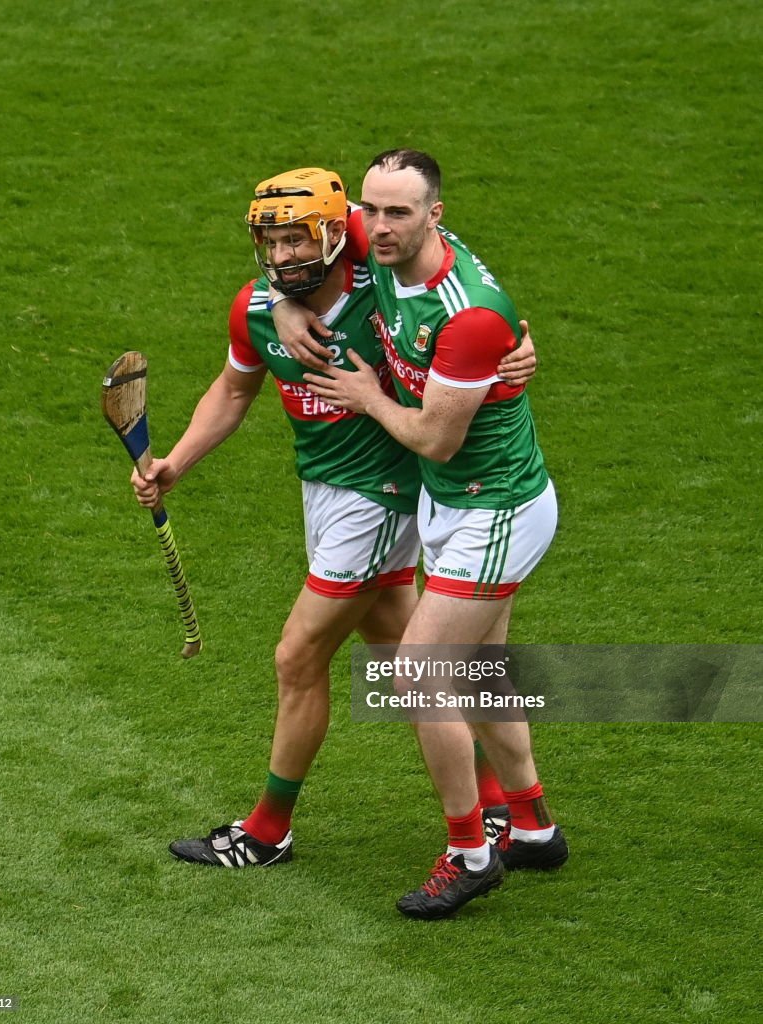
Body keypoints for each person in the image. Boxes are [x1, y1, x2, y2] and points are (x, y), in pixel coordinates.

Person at [131, 166, 536, 871]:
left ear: (331, 235)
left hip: (381, 492)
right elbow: (233, 389)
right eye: (271, 241)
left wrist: (512, 353)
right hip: (323, 487)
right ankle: (506, 805)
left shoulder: (380, 281)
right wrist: (177, 462)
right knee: (399, 645)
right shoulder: (257, 307)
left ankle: (267, 830)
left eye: (298, 240)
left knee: (299, 656)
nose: (284, 255)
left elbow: (453, 299)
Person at [281, 149, 567, 920]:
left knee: (420, 673)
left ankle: (470, 851)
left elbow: (435, 439)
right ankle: (533, 826)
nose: (375, 227)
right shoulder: (376, 235)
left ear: (434, 215)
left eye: (397, 213)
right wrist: (285, 306)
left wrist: (367, 394)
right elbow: (297, 250)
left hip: (496, 508)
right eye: (369, 210)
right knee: (479, 671)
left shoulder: (467, 315)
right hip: (454, 505)